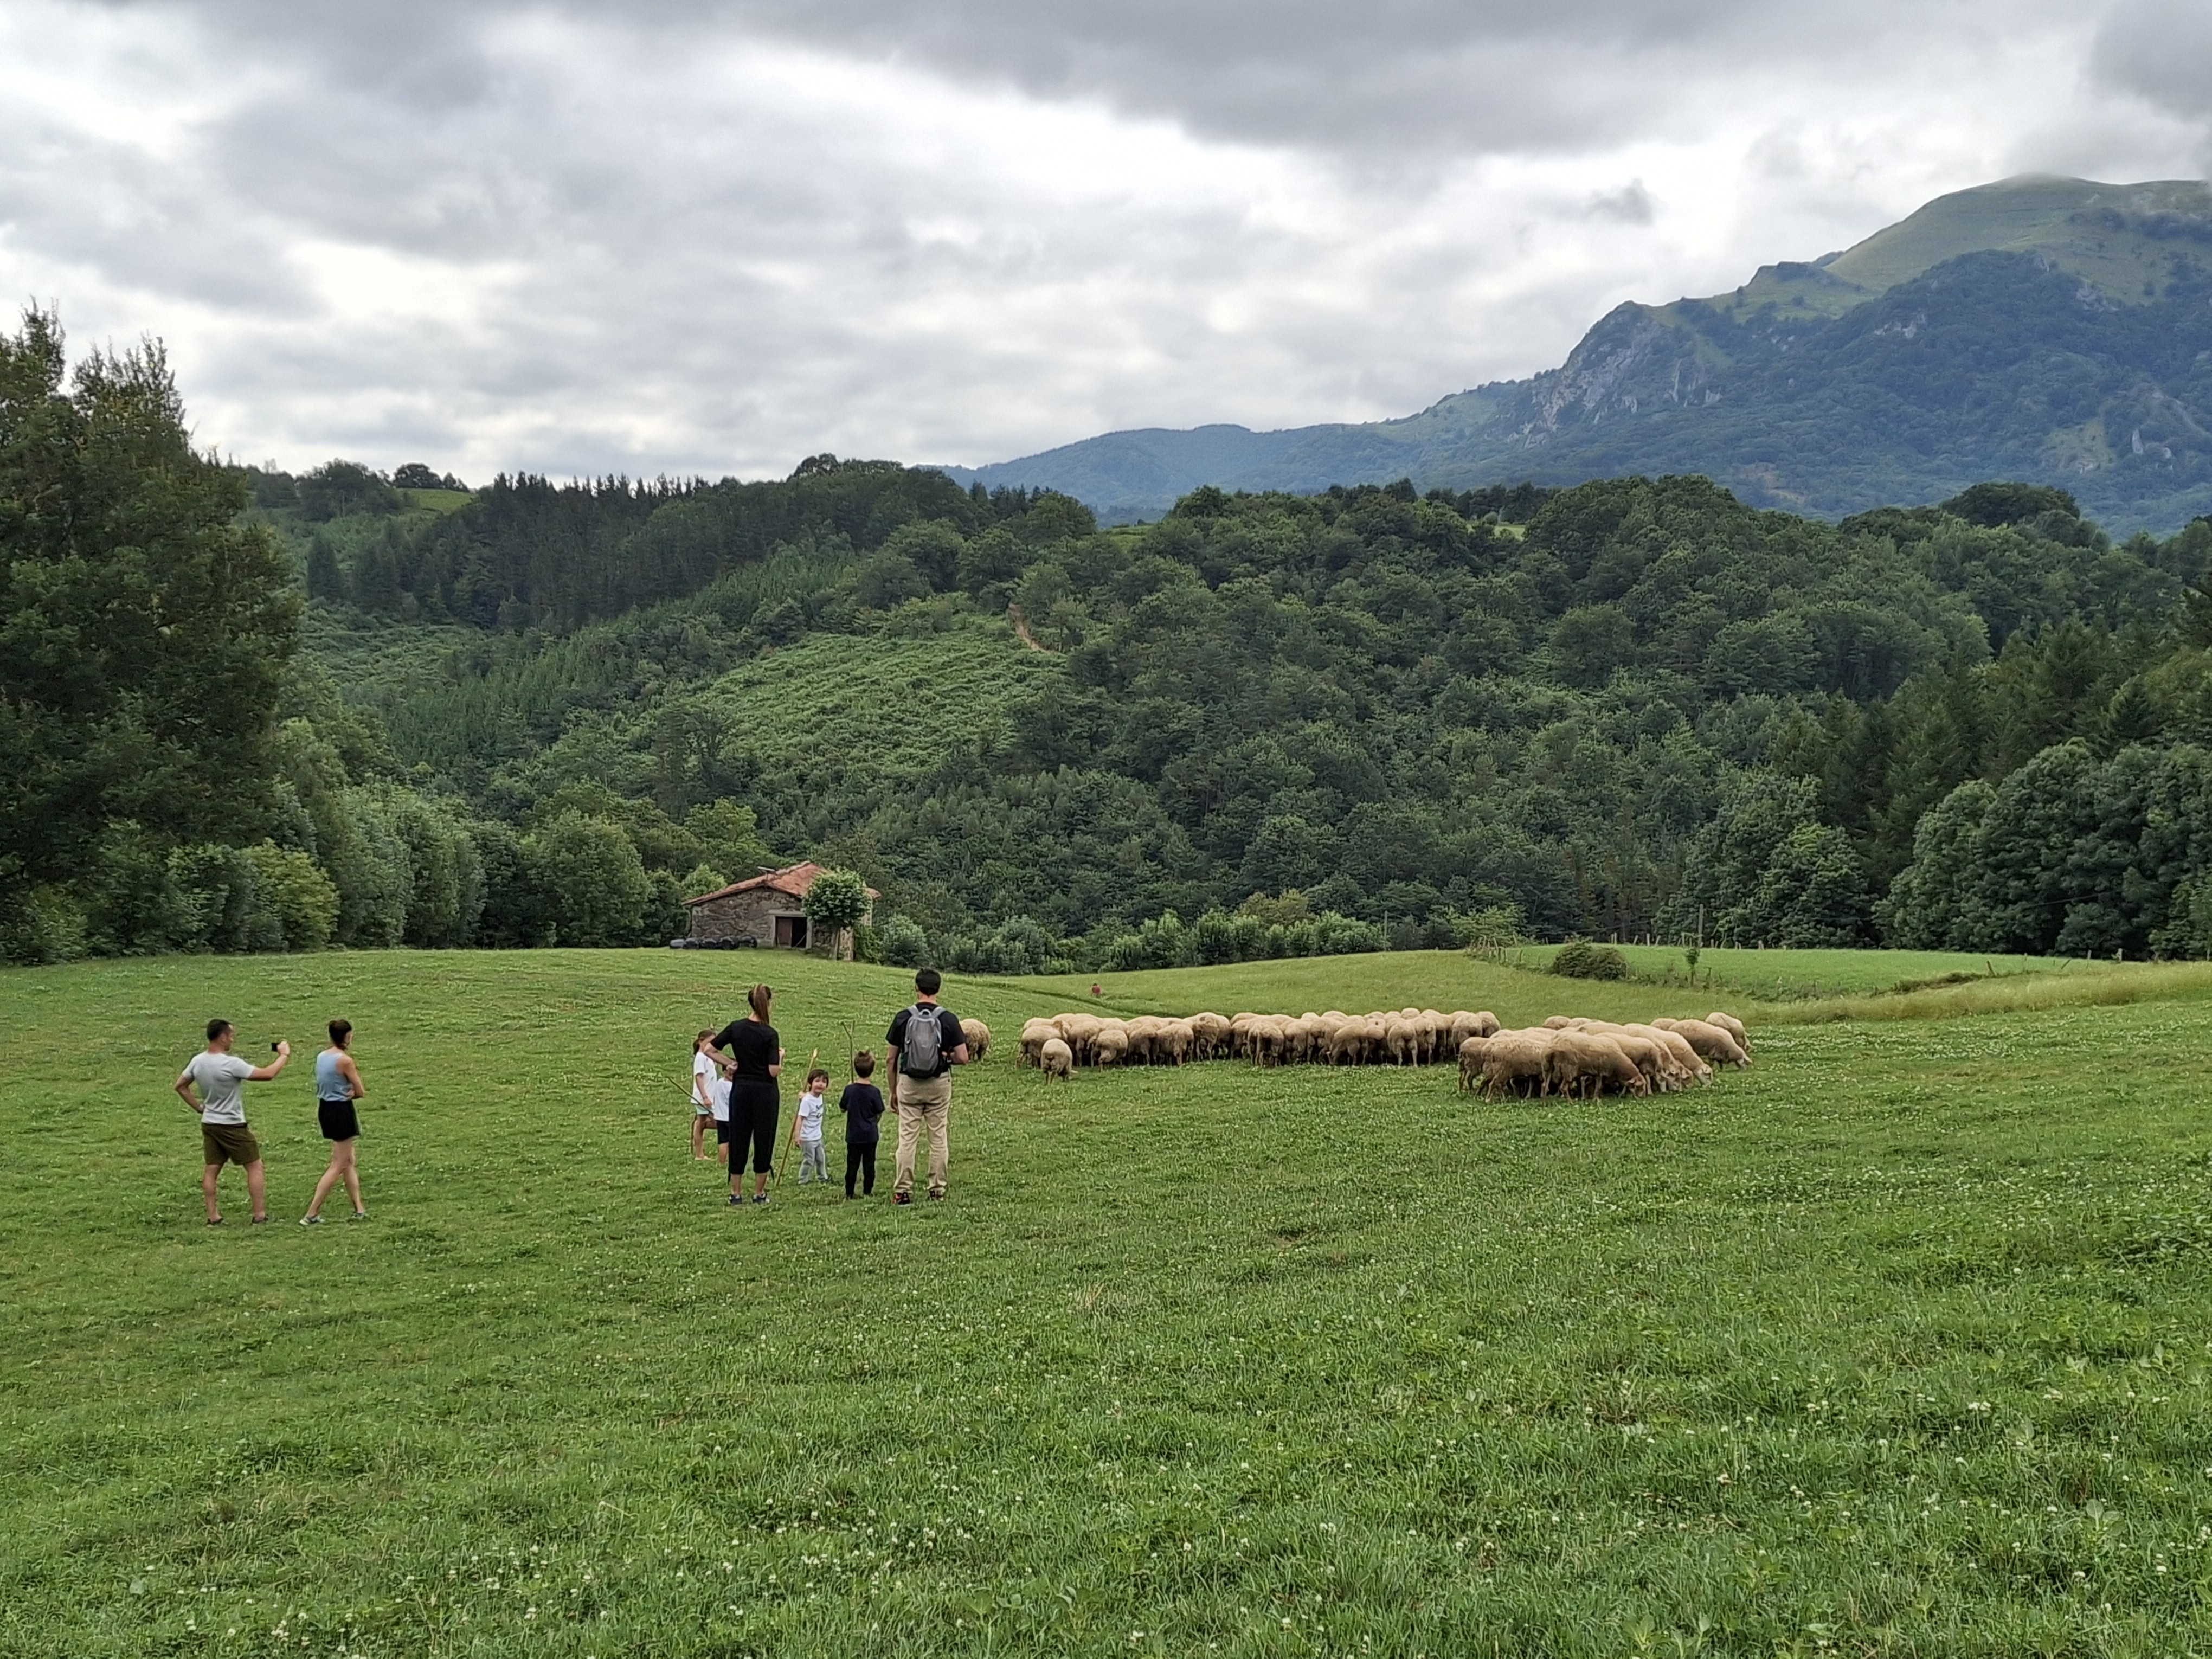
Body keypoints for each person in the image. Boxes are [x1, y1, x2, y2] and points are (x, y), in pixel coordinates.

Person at [174, 1018, 290, 1225]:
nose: (232, 1040)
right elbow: (268, 1074)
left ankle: (213, 1216)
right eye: (231, 1035)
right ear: (223, 1037)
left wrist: (200, 1108)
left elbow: (181, 1086)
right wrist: (284, 1055)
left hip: (210, 1123)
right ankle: (259, 1215)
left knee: (212, 1169)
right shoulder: (231, 1064)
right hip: (232, 1125)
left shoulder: (198, 1061)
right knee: (255, 1166)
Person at [885, 968, 968, 1204]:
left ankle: (903, 1191)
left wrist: (893, 1090)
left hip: (909, 1083)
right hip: (938, 1083)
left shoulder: (903, 1017)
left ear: (917, 988)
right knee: (938, 1136)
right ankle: (937, 1190)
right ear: (938, 990)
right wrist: (946, 1058)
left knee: (907, 1138)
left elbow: (891, 1059)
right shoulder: (948, 1019)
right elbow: (963, 1057)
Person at [711, 985, 783, 1205]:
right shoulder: (770, 1034)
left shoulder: (736, 1028)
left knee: (739, 1137)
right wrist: (781, 1057)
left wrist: (731, 1063)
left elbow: (709, 1049)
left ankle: (736, 1192)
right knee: (764, 1139)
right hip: (765, 1093)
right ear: (768, 1003)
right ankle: (759, 1193)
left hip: (741, 1090)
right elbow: (773, 1070)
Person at [300, 1019, 369, 1224]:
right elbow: (360, 1091)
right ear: (348, 1036)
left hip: (326, 1109)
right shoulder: (345, 1061)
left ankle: (359, 1209)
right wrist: (352, 1093)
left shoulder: (322, 1056)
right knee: (339, 1164)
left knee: (348, 1161)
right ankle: (311, 1214)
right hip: (341, 1111)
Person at [838, 1050, 886, 1199]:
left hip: (853, 1134)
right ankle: (868, 1191)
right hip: (870, 1135)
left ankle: (850, 1192)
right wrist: (873, 1123)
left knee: (852, 1164)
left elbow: (842, 1108)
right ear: (873, 1070)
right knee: (869, 1164)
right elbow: (879, 1112)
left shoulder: (850, 1090)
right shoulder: (875, 1092)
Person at [691, 1029, 731, 1163]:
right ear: (701, 1042)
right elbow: (699, 1077)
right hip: (703, 1096)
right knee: (705, 1123)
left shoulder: (708, 1057)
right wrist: (705, 1097)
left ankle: (700, 1151)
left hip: (710, 1096)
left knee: (704, 1122)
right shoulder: (700, 1057)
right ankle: (699, 1154)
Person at [794, 1068, 829, 1184]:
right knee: (809, 1159)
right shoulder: (807, 1101)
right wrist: (797, 1136)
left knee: (821, 1158)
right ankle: (803, 1180)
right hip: (807, 1138)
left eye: (824, 1082)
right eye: (817, 1081)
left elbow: (809, 1095)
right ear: (810, 1083)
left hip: (817, 1136)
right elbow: (800, 1119)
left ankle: (822, 1177)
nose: (821, 1084)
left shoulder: (819, 1097)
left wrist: (804, 1095)